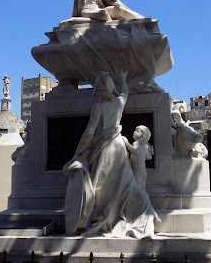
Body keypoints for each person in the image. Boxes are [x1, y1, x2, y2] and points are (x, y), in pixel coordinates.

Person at [62, 70, 158, 237]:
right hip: (119, 147)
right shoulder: (119, 103)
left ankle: (106, 217)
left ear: (98, 91)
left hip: (105, 150)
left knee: (103, 188)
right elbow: (125, 92)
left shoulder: (98, 108)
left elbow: (89, 133)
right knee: (122, 185)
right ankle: (123, 216)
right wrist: (122, 78)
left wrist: (78, 152)